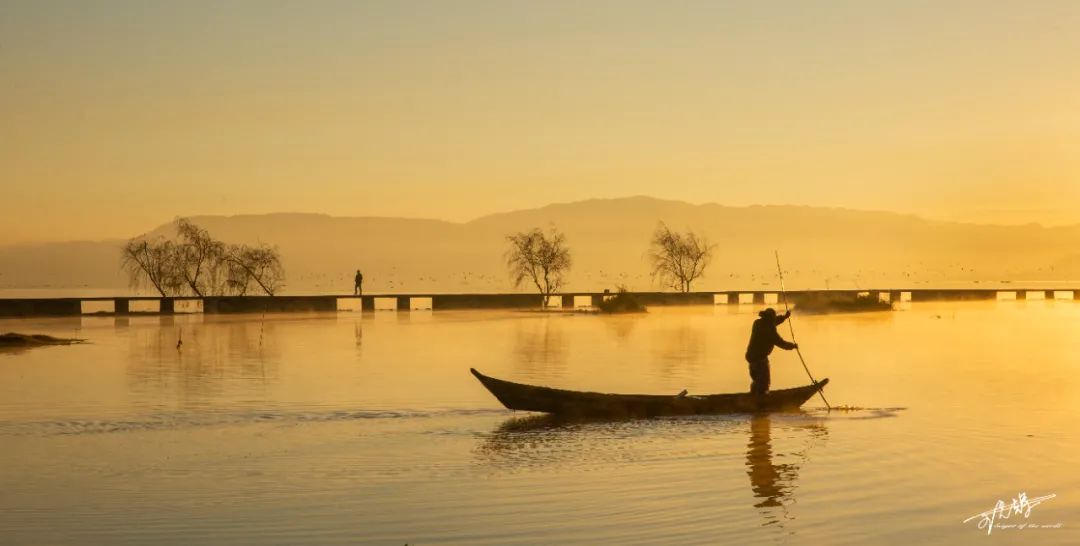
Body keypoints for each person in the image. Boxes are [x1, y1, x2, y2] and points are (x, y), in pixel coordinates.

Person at [745, 308, 798, 396]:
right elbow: (780, 342)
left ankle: (753, 397)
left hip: (751, 358)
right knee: (764, 383)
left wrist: (784, 317)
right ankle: (760, 402)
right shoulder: (770, 330)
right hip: (760, 360)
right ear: (770, 318)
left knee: (757, 381)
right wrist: (792, 346)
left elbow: (774, 322)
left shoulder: (757, 323)